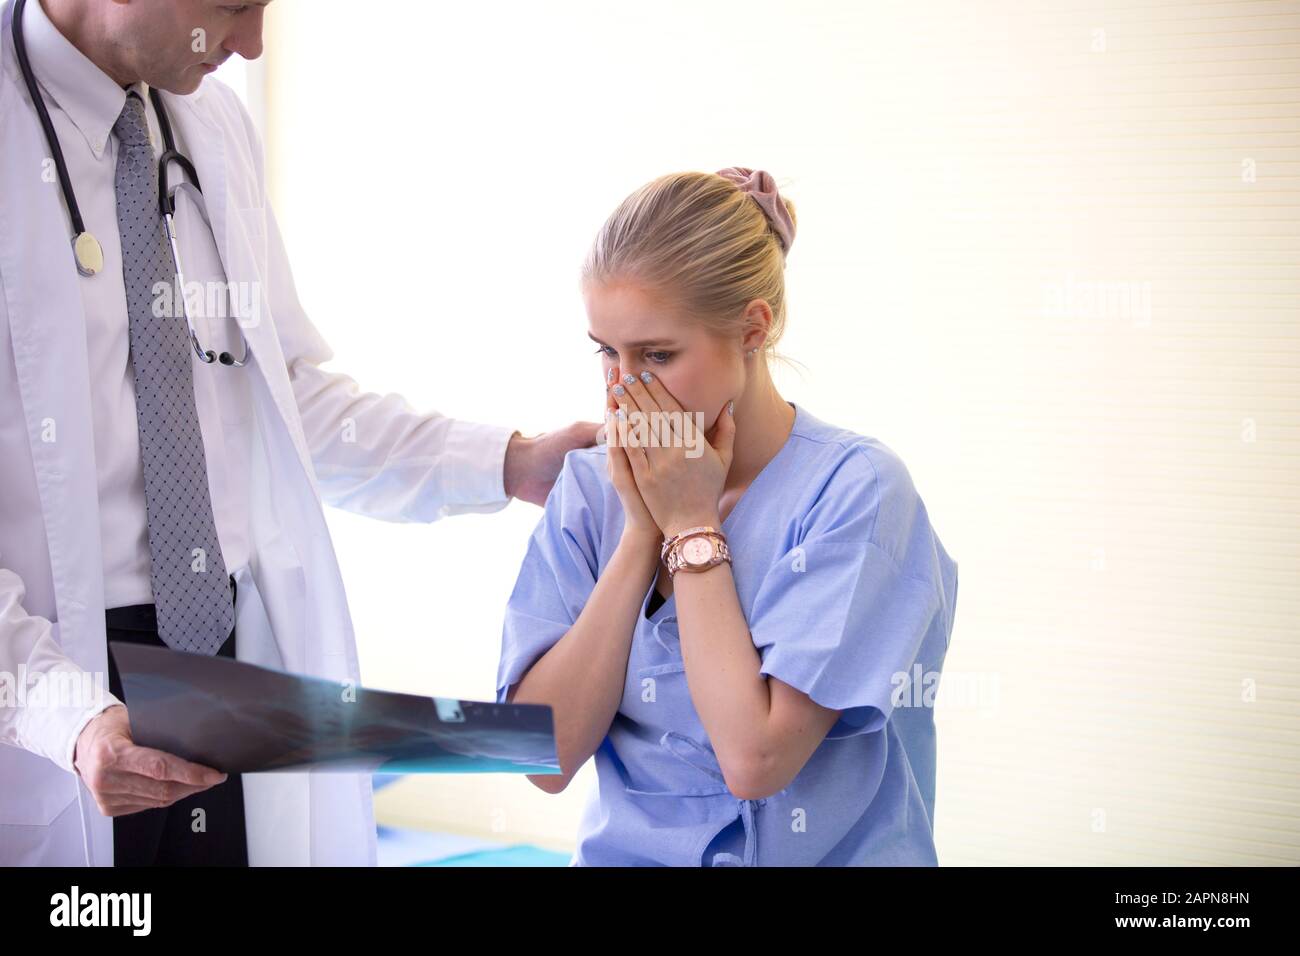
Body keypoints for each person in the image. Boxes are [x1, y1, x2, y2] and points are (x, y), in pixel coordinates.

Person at [0, 0, 596, 866]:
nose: (250, 43)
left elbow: (288, 402)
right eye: (233, 6)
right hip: (56, 690)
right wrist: (67, 716)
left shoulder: (208, 127)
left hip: (225, 675)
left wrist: (509, 463)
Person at [496, 167, 959, 865]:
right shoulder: (592, 487)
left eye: (657, 355)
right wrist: (639, 536)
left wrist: (691, 530)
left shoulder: (857, 491)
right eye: (606, 352)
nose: (624, 389)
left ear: (751, 329)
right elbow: (543, 759)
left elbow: (756, 760)